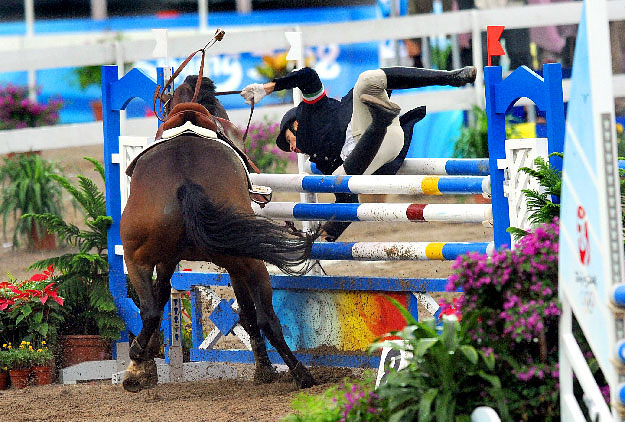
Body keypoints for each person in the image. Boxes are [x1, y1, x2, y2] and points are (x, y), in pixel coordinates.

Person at [240, 65, 476, 240]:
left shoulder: (311, 111)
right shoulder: (322, 161)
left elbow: (308, 76)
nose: (292, 149)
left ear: (296, 124)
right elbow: (349, 198)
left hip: (384, 133)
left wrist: (267, 87)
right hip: (379, 151)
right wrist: (330, 231)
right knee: (340, 179)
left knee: (366, 79)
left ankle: (450, 77)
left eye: (288, 140)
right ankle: (380, 122)